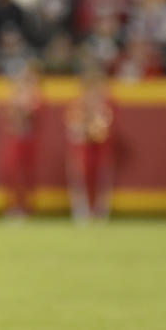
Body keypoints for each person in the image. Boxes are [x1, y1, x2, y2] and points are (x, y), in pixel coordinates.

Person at [64, 69, 115, 222]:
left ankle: (100, 212)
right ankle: (81, 211)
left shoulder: (106, 105)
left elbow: (104, 130)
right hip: (81, 149)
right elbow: (73, 130)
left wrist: (92, 125)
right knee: (79, 180)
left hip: (100, 148)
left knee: (101, 180)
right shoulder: (77, 105)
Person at [0, 63, 41, 218]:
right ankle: (13, 206)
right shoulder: (17, 95)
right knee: (11, 172)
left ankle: (25, 207)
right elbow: (11, 117)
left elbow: (31, 116)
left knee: (26, 175)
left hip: (27, 140)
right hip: (15, 139)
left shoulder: (36, 97)